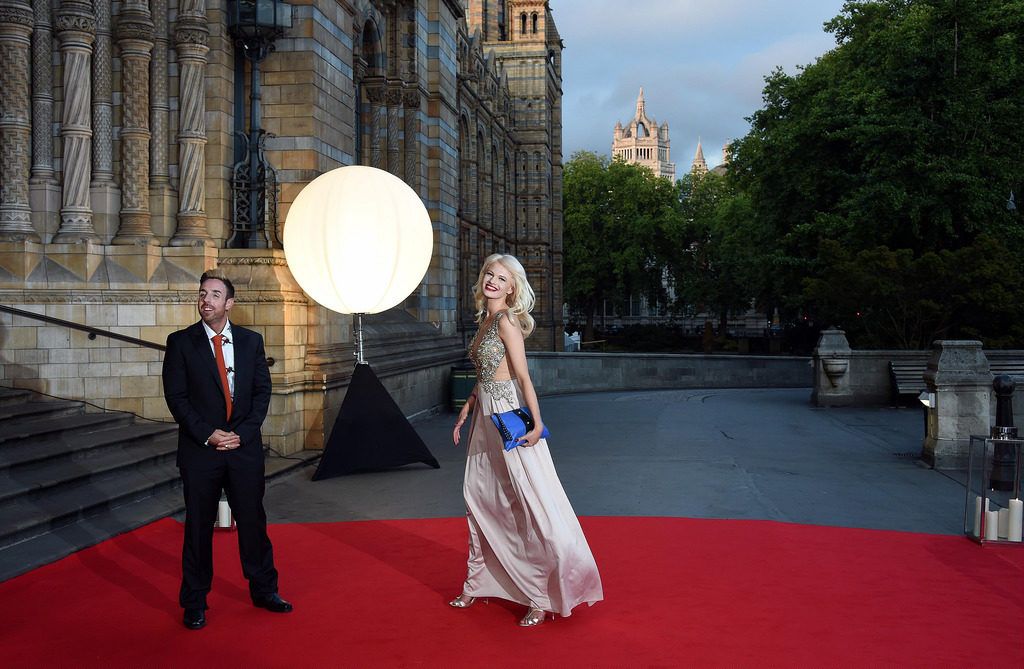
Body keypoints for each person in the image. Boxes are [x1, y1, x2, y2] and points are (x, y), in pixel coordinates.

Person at [451, 254, 603, 627]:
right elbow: (486, 372)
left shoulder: (506, 322)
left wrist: (536, 423)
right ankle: (477, 582)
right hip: (484, 417)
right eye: (489, 273)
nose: (492, 281)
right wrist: (468, 405)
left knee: (528, 502)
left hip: (506, 416)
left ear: (511, 288)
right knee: (478, 497)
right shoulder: (484, 320)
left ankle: (541, 595)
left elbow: (522, 378)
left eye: (501, 278)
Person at [162, 271, 292, 630]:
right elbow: (177, 398)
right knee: (198, 528)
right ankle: (194, 601)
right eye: (203, 293)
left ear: (229, 303)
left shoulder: (252, 341)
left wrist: (241, 435)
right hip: (200, 451)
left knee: (253, 522)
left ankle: (265, 590)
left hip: (243, 450)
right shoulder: (180, 342)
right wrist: (210, 435)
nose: (206, 300)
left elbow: (262, 393)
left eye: (215, 295)